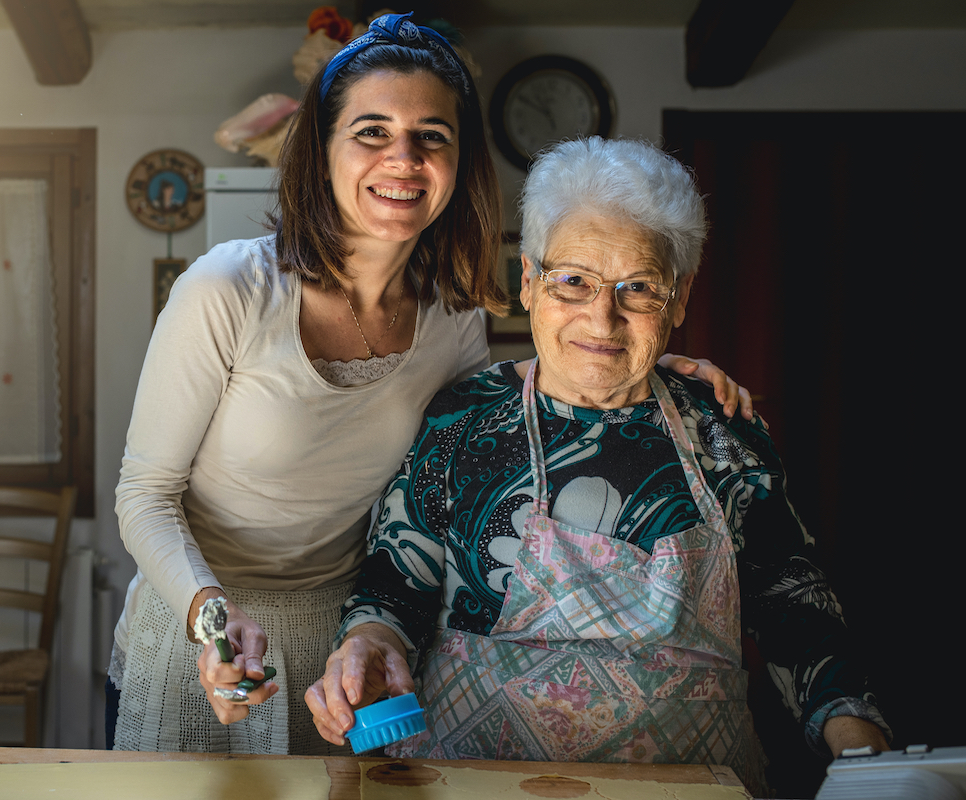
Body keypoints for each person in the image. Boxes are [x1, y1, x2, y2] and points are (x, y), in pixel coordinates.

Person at [110, 16, 751, 756]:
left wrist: (639, 355)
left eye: (432, 136)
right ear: (321, 151)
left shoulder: (453, 316)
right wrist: (214, 620)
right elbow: (145, 494)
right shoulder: (227, 288)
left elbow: (494, 423)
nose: (404, 158)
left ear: (458, 162)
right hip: (201, 620)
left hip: (342, 647)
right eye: (372, 131)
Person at [304, 137, 890, 793]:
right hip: (474, 783)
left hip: (692, 790)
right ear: (528, 282)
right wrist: (368, 648)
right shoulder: (460, 419)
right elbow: (392, 588)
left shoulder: (724, 431)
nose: (601, 316)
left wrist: (860, 743)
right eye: (573, 281)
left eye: (638, 288)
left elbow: (793, 606)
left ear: (681, 297)